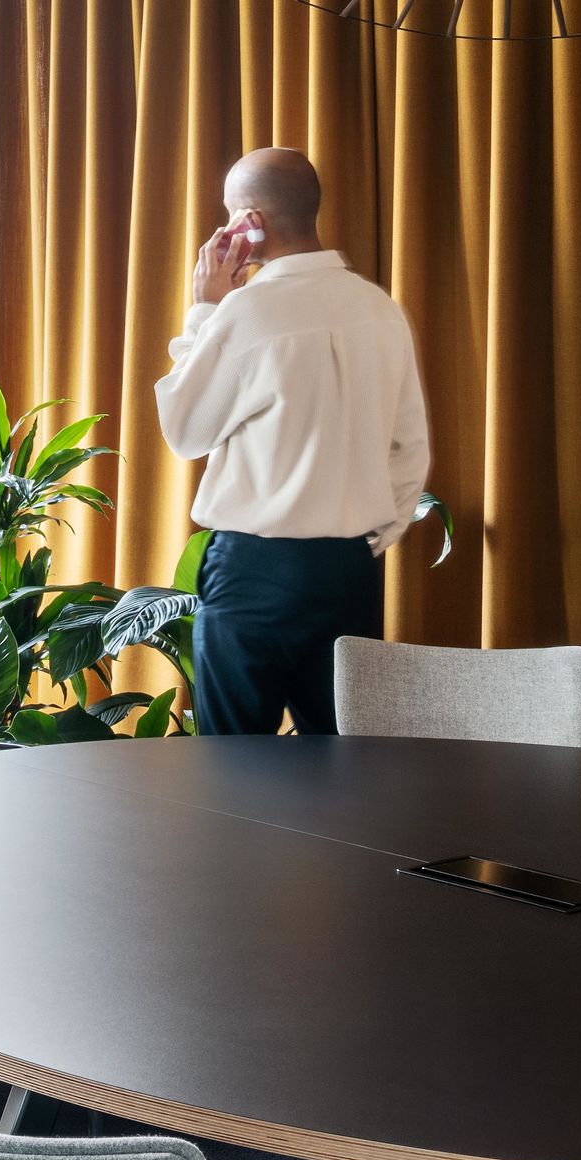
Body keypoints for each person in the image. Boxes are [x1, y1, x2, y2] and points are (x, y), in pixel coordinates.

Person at [155, 146, 432, 737]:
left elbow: (185, 431)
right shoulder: (380, 310)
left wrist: (204, 312)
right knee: (342, 759)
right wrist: (365, 540)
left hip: (254, 570)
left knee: (234, 763)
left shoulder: (247, 313)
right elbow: (410, 450)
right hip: (348, 571)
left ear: (250, 222)